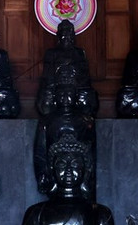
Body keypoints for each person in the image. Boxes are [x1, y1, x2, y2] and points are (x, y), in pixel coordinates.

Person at [33, 67, 96, 200]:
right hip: (56, 169)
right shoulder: (47, 121)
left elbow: (91, 152)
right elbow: (40, 152)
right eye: (61, 94)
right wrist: (43, 174)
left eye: (69, 94)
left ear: (76, 96)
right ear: (55, 97)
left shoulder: (86, 120)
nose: (65, 98)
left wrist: (88, 177)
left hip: (78, 169)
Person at [37, 20, 98, 116]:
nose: (67, 37)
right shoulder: (51, 53)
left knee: (86, 99)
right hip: (57, 84)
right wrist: (60, 73)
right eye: (64, 34)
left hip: (75, 84)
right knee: (46, 99)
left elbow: (84, 76)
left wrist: (74, 76)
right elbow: (47, 76)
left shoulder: (79, 52)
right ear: (58, 36)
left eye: (69, 34)